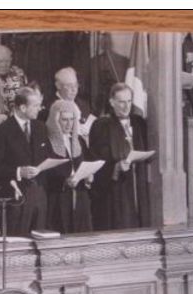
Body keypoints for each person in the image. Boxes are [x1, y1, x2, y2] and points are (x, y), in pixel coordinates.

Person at [0, 86, 52, 236]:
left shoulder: (40, 127)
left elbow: (47, 154)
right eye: (35, 105)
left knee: (40, 238)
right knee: (17, 240)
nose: (40, 109)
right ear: (22, 107)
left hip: (39, 193)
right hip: (15, 197)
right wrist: (18, 172)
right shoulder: (1, 131)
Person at [87, 83, 151, 230]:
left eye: (129, 101)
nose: (126, 106)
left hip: (137, 183)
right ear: (112, 102)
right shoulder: (101, 125)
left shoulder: (139, 122)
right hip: (115, 189)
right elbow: (96, 159)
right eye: (121, 102)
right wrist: (115, 167)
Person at [45, 100, 93, 234]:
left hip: (81, 196)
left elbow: (86, 163)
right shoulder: (47, 142)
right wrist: (64, 181)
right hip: (59, 197)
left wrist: (89, 177)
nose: (69, 124)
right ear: (55, 120)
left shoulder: (79, 140)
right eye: (64, 120)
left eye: (72, 119)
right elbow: (46, 173)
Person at [39, 68, 92, 141]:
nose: (74, 89)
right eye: (69, 86)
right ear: (58, 86)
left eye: (76, 85)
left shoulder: (83, 105)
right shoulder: (49, 107)